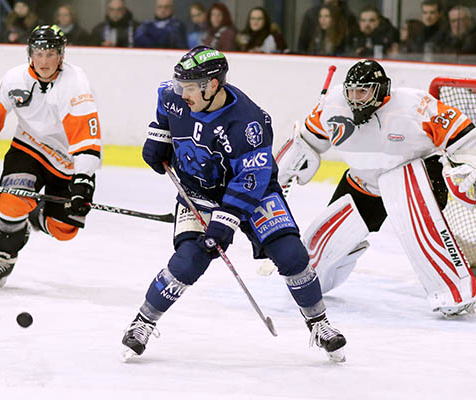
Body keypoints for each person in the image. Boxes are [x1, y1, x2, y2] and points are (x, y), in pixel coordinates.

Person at [120, 46, 347, 363]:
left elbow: (249, 180)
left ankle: (319, 322)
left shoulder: (249, 124)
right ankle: (143, 322)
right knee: (188, 262)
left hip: (254, 191)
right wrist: (159, 137)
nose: (180, 92)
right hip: (197, 191)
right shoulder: (174, 94)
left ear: (212, 85)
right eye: (180, 85)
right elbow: (165, 109)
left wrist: (224, 224)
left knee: (291, 255)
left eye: (189, 87)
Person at [276, 59, 476, 317]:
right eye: (351, 91)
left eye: (363, 91)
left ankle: (456, 293)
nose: (355, 99)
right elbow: (310, 139)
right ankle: (317, 280)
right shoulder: (333, 105)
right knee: (317, 250)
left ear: (381, 90)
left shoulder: (414, 105)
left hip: (416, 176)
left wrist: (471, 163)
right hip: (364, 181)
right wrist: (292, 161)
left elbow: (462, 134)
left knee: (410, 206)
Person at [0, 25, 102, 290]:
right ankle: (4, 258)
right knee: (12, 200)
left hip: (67, 160)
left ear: (61, 55)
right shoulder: (14, 79)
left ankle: (35, 217)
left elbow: (85, 139)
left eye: (51, 54)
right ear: (30, 53)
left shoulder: (76, 84)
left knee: (64, 230)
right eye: (39, 53)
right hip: (28, 147)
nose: (44, 61)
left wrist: (83, 178)